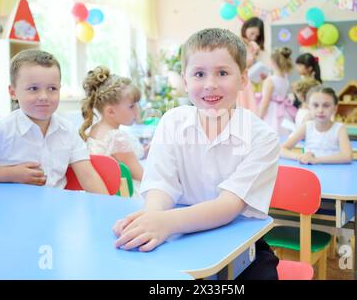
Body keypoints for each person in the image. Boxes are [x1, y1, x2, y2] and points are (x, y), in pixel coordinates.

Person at [112, 28, 280, 280]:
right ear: (185, 79)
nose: (210, 84)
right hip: (179, 238)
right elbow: (160, 184)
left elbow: (228, 206)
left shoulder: (262, 137)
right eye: (199, 74)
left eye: (222, 73)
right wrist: (152, 216)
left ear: (243, 79)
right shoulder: (172, 121)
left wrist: (165, 223)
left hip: (241, 244)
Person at [0, 49, 108, 194]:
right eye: (33, 88)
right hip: (8, 210)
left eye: (52, 88)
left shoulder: (67, 130)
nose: (44, 96)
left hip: (55, 210)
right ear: (13, 92)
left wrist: (109, 208)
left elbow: (88, 176)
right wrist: (10, 174)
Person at [79, 66, 145, 194]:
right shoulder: (117, 138)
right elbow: (142, 176)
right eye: (131, 106)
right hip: (124, 194)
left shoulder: (95, 129)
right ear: (110, 111)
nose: (137, 112)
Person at [281, 86, 352, 165]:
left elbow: (347, 156)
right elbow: (282, 149)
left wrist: (316, 160)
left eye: (326, 105)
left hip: (333, 172)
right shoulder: (306, 126)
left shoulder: (340, 128)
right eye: (315, 105)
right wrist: (300, 157)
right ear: (309, 108)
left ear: (335, 109)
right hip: (311, 173)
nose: (320, 110)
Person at [258, 47, 296, 137]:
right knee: (282, 134)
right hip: (284, 111)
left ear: (273, 63)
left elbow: (265, 102)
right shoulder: (285, 78)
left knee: (270, 134)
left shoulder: (270, 80)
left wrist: (259, 118)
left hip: (272, 112)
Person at [237, 17, 266, 114]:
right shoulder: (236, 43)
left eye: (257, 36)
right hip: (241, 84)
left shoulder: (255, 47)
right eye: (252, 33)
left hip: (253, 84)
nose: (253, 37)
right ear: (245, 28)